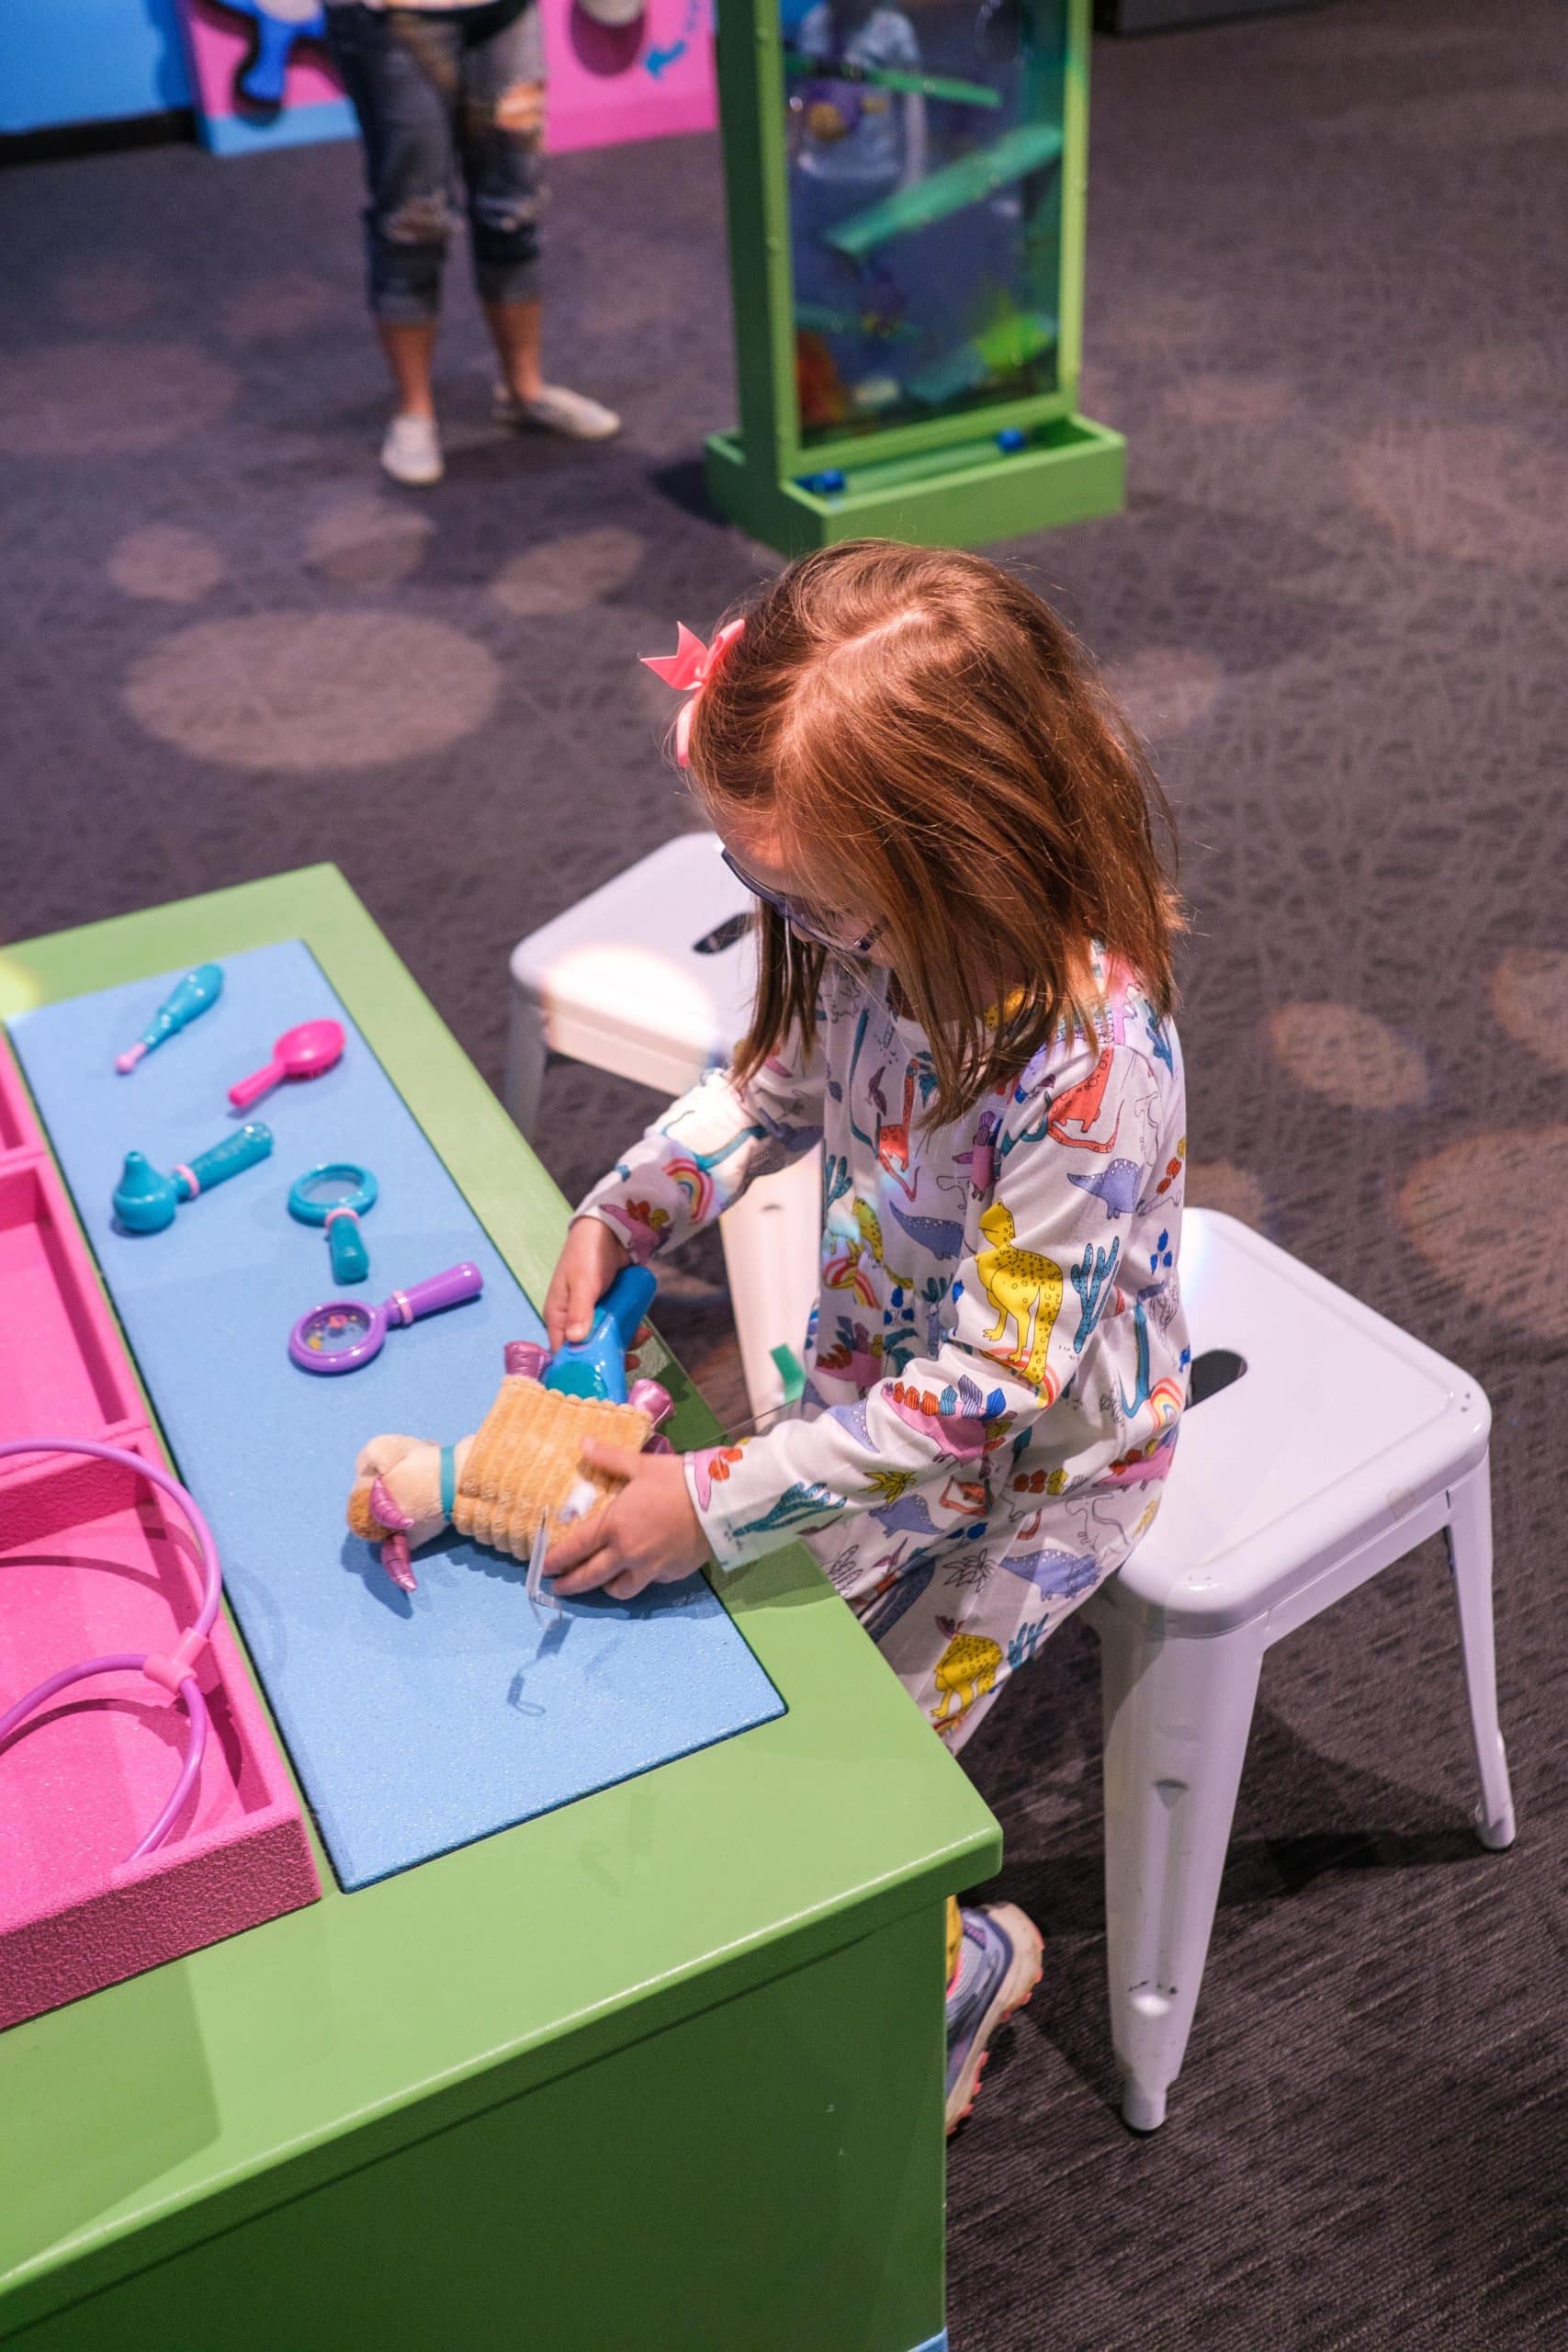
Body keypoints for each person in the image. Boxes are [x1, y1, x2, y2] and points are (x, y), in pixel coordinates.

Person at [544, 540, 1189, 2131]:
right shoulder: (866, 948)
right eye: (777, 900)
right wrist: (626, 1206)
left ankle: (961, 1963)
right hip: (866, 1412)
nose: (801, 934)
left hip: (1044, 1477)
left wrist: (709, 1499)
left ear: (966, 855)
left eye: (821, 905)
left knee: (857, 1775)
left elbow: (984, 1394)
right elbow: (767, 1092)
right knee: (733, 1678)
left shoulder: (1093, 1073)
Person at [323, 0, 620, 487]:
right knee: (412, 216)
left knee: (514, 209)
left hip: (505, 10)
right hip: (393, 16)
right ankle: (414, 413)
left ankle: (526, 393)